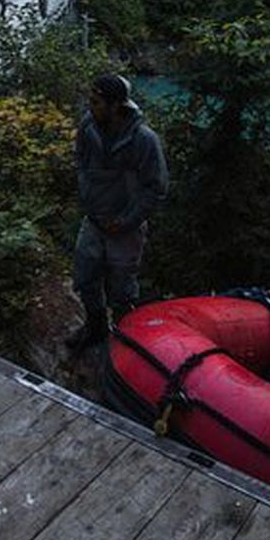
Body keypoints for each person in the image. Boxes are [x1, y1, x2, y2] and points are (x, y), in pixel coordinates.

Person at [68, 74, 168, 351]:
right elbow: (80, 162)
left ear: (116, 106)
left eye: (97, 102)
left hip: (126, 228)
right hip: (94, 219)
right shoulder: (89, 127)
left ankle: (125, 341)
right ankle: (96, 328)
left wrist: (126, 221)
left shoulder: (144, 140)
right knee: (86, 277)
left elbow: (156, 188)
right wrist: (87, 198)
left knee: (122, 289)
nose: (91, 106)